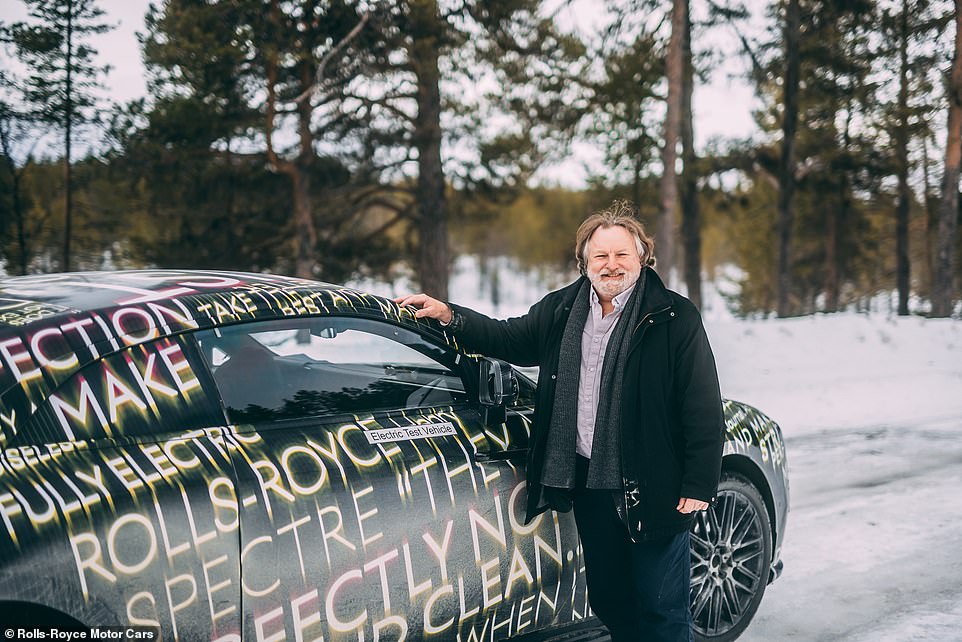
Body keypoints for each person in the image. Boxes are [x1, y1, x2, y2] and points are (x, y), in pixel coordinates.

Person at [395, 200, 724, 642]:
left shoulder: (673, 316)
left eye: (622, 254)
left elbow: (701, 403)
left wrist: (698, 484)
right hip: (589, 481)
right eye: (600, 256)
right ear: (584, 261)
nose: (612, 265)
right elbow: (508, 337)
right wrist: (451, 316)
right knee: (610, 597)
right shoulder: (563, 309)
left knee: (662, 608)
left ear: (642, 256)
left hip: (654, 484)